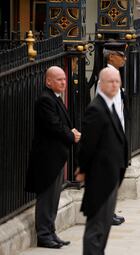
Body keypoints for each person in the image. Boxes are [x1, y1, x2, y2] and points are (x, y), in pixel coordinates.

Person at [25, 66, 81, 248]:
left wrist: (70, 131)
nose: (63, 82)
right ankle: (43, 234)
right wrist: (71, 134)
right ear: (48, 81)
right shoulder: (45, 100)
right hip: (47, 159)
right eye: (59, 80)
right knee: (46, 197)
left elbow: (60, 124)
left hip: (56, 157)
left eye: (64, 79)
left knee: (54, 197)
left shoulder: (54, 98)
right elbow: (53, 125)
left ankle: (51, 231)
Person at [76, 67, 129, 255]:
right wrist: (83, 169)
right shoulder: (96, 109)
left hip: (111, 176)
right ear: (101, 84)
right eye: (110, 81)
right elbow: (87, 145)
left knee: (105, 225)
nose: (115, 84)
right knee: (97, 226)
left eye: (117, 81)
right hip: (100, 177)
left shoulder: (110, 105)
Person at [99, 42, 128, 226]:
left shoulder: (115, 75)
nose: (124, 58)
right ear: (111, 57)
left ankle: (110, 211)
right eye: (120, 55)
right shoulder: (106, 77)